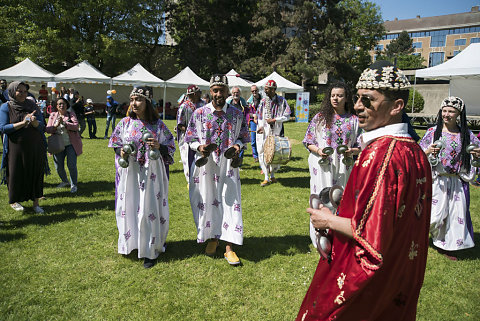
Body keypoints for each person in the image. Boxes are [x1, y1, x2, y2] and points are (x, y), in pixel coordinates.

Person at [296, 60, 432, 321]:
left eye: (368, 100)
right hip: (401, 276)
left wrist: (327, 220)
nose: (358, 106)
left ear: (396, 107)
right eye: (357, 98)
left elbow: (373, 238)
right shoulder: (415, 152)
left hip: (370, 287)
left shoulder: (382, 153)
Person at [185, 74, 250, 266]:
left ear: (227, 91)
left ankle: (229, 247)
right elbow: (190, 138)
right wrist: (199, 148)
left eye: (222, 90)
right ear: (210, 91)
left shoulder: (237, 114)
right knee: (208, 199)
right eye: (215, 90)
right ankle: (213, 237)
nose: (218, 93)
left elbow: (243, 137)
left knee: (230, 201)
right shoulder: (199, 113)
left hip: (229, 165)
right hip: (207, 165)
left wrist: (237, 147)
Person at [108, 86, 175, 269]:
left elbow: (170, 147)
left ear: (147, 102)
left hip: (151, 173)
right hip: (130, 173)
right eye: (132, 99)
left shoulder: (158, 125)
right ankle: (133, 244)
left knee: (148, 209)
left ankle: (151, 249)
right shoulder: (125, 123)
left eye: (138, 99)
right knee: (129, 207)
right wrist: (119, 150)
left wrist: (159, 146)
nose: (134, 103)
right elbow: (115, 142)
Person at [419, 96, 480, 260]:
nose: (447, 114)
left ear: (458, 113)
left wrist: (476, 154)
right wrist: (427, 152)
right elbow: (418, 153)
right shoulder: (433, 132)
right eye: (444, 111)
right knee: (435, 215)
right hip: (437, 179)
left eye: (451, 111)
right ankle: (421, 237)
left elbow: (476, 150)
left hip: (456, 181)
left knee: (454, 215)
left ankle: (447, 245)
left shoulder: (465, 134)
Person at [303, 82, 361, 248]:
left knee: (341, 199)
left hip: (344, 167)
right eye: (333, 95)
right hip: (322, 166)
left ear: (346, 98)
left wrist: (352, 150)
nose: (336, 98)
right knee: (321, 197)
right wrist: (319, 150)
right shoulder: (320, 118)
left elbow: (361, 145)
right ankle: (319, 238)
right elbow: (308, 141)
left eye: (340, 95)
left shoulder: (354, 120)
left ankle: (339, 236)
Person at [0, 81, 46, 213]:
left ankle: (36, 203)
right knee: (16, 172)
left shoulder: (31, 105)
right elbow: (3, 128)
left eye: (25, 91)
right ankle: (14, 201)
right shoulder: (6, 107)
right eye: (19, 91)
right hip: (16, 147)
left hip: (35, 145)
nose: (23, 94)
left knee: (35, 172)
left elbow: (42, 126)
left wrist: (34, 121)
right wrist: (23, 123)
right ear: (12, 91)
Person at [256, 79, 291, 186]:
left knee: (275, 152)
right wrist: (260, 126)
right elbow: (259, 115)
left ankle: (272, 175)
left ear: (273, 89)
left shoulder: (282, 101)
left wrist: (275, 120)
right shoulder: (263, 101)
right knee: (262, 151)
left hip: (277, 130)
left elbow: (287, 116)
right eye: (265, 89)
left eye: (267, 89)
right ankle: (266, 176)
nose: (265, 91)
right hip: (264, 132)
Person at [46, 98, 83, 193]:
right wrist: (55, 125)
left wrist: (65, 124)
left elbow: (76, 126)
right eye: (59, 104)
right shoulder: (52, 115)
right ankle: (64, 181)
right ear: (56, 106)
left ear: (67, 105)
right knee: (59, 167)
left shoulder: (71, 114)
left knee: (71, 165)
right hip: (57, 144)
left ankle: (73, 185)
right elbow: (48, 129)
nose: (61, 106)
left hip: (71, 144)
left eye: (63, 104)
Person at [176, 85, 205, 183]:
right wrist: (191, 132)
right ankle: (190, 181)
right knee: (187, 159)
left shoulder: (204, 104)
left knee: (202, 157)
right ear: (194, 94)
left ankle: (201, 180)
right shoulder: (184, 106)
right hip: (186, 138)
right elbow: (180, 124)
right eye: (199, 92)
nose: (201, 93)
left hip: (202, 137)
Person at [246, 85, 261, 162]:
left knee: (262, 138)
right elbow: (247, 112)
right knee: (253, 140)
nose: (254, 92)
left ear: (258, 90)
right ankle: (255, 156)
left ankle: (262, 154)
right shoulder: (249, 101)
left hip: (262, 121)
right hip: (253, 122)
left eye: (255, 90)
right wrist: (253, 115)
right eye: (252, 91)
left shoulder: (263, 99)